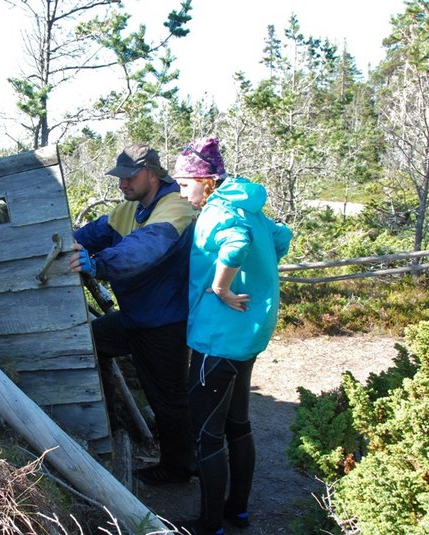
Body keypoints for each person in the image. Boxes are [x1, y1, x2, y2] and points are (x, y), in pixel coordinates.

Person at [173, 137, 293, 535]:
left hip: (217, 336)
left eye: (184, 182)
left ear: (205, 180)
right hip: (247, 333)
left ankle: (209, 526)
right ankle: (236, 511)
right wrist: (258, 277)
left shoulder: (218, 210)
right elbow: (281, 238)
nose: (180, 190)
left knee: (208, 435)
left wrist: (222, 288)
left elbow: (237, 243)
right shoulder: (247, 205)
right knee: (237, 425)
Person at [68, 143, 196, 486]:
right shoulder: (131, 208)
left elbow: (142, 249)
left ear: (152, 174)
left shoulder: (176, 207)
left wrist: (96, 264)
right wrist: (68, 245)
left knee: (168, 399)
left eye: (130, 176)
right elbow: (93, 233)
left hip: (165, 322)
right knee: (91, 341)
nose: (122, 184)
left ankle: (179, 468)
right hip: (137, 318)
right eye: (119, 177)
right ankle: (107, 417)